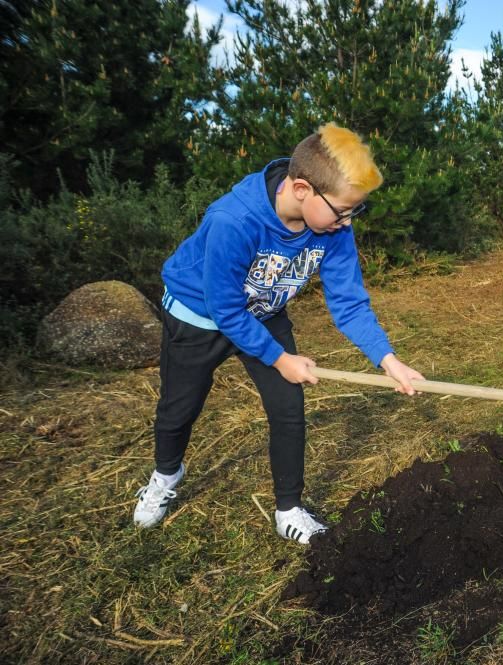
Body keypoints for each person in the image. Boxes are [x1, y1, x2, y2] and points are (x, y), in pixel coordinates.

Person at [132, 123, 424, 545]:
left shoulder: (332, 228)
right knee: (178, 411)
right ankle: (165, 474)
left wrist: (388, 359)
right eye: (342, 210)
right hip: (199, 316)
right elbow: (225, 308)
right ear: (302, 189)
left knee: (288, 409)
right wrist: (281, 359)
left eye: (353, 211)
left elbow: (348, 301)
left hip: (263, 313)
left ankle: (288, 509)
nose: (346, 223)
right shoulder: (234, 220)